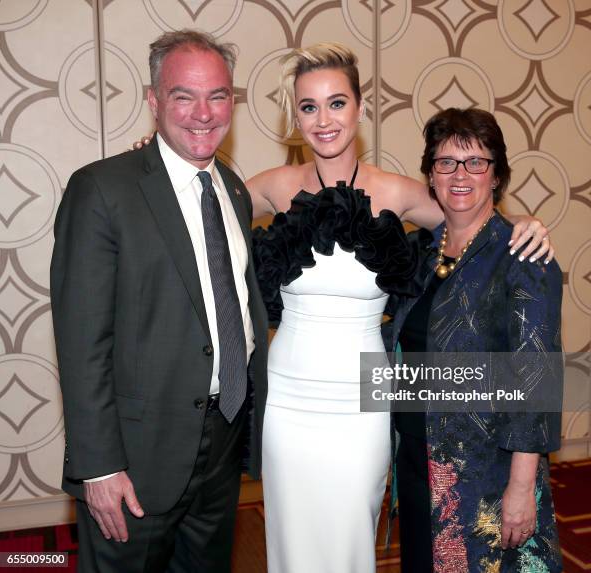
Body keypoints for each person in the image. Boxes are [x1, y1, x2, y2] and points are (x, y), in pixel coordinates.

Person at [133, 42, 554, 572]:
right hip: (287, 397)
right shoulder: (269, 188)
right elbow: (193, 192)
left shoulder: (399, 192)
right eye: (308, 106)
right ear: (296, 118)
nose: (323, 119)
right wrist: (158, 152)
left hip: (363, 398)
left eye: (336, 103)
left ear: (359, 108)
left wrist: (528, 229)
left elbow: (474, 217)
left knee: (353, 532)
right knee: (289, 538)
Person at [50, 29, 268, 572]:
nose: (203, 113)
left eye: (217, 95)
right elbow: (82, 344)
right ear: (153, 100)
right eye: (183, 95)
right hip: (136, 460)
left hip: (222, 444)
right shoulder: (102, 190)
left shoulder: (233, 189)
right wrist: (98, 469)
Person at [390, 108, 563, 572]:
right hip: (416, 459)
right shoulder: (421, 252)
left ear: (497, 175)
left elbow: (535, 382)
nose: (460, 174)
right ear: (431, 174)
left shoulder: (524, 256)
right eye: (446, 162)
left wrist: (522, 489)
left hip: (486, 471)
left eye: (476, 162)